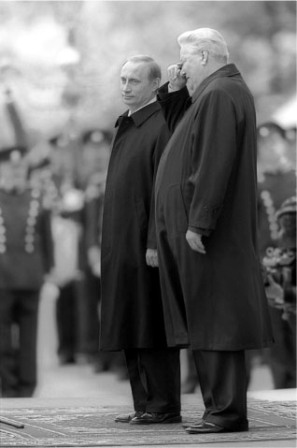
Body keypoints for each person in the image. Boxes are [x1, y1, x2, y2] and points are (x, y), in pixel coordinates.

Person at [155, 28, 274, 434]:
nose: (181, 68)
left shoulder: (221, 94)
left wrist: (199, 221)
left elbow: (213, 162)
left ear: (204, 56)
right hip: (201, 229)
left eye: (184, 61)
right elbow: (182, 135)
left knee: (217, 318)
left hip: (210, 232)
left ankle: (225, 412)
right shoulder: (211, 93)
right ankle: (218, 410)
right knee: (207, 318)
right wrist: (173, 90)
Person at [100, 55, 181, 424]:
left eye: (134, 81)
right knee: (131, 322)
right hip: (121, 244)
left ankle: (162, 405)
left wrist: (154, 242)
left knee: (151, 322)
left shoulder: (159, 124)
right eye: (122, 79)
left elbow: (162, 191)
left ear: (153, 85)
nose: (125, 87)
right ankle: (143, 404)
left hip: (145, 245)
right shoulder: (129, 124)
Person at [0, 146, 54, 397]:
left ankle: (26, 386)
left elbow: (47, 239)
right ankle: (7, 386)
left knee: (29, 338)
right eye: (10, 167)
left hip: (31, 277)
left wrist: (49, 272)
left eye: (20, 168)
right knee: (2, 339)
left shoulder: (37, 198)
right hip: (2, 278)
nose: (15, 172)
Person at [257, 122, 296, 389]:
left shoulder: (295, 179)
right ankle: (282, 387)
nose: (270, 149)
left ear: (285, 144)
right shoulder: (257, 185)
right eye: (263, 145)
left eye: (274, 143)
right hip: (270, 268)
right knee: (276, 332)